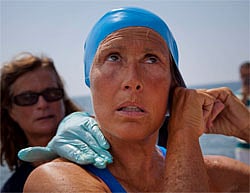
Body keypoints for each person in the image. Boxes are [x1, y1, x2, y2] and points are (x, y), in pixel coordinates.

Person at [23, 7, 250, 192]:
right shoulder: (55, 181)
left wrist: (247, 127)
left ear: (174, 84)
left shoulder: (221, 175)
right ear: (89, 78)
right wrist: (183, 133)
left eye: (151, 59)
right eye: (113, 57)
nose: (132, 80)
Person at [0, 52, 112, 192]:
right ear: (10, 110)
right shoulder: (14, 188)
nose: (42, 104)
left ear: (62, 98)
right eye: (27, 98)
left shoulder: (103, 141)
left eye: (51, 93)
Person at [234, 61, 250, 165]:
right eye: (244, 76)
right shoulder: (236, 97)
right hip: (243, 148)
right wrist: (245, 95)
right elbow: (235, 115)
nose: (247, 79)